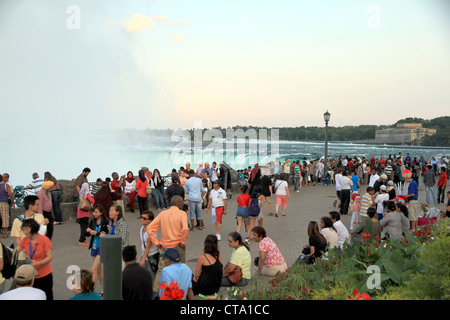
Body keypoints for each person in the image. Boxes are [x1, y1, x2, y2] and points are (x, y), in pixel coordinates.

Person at [147, 195, 189, 293]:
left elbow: (150, 228)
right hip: (178, 246)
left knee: (161, 269)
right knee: (180, 268)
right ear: (179, 204)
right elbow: (185, 229)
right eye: (182, 203)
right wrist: (183, 242)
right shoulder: (182, 214)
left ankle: (156, 292)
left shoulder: (162, 214)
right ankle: (180, 292)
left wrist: (156, 242)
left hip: (164, 247)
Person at [16, 219, 54, 300]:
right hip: (31, 274)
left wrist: (38, 263)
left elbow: (50, 257)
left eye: (26, 229)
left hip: (45, 274)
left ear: (33, 228)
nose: (24, 231)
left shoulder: (44, 240)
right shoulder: (25, 240)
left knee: (48, 295)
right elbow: (16, 251)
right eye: (23, 229)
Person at [86, 204, 108, 296]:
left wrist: (97, 233)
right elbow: (87, 235)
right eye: (93, 212)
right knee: (99, 270)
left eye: (96, 212)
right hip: (94, 247)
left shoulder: (106, 221)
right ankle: (104, 289)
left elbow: (108, 235)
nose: (94, 214)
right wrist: (88, 230)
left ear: (101, 212)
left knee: (93, 270)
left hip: (102, 247)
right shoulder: (92, 221)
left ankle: (91, 292)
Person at [138, 210, 159, 293]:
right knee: (142, 276)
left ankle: (154, 294)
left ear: (150, 220)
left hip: (151, 256)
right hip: (144, 255)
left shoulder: (151, 230)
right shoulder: (142, 228)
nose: (141, 219)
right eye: (141, 217)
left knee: (152, 277)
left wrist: (143, 259)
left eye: (144, 218)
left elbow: (148, 246)